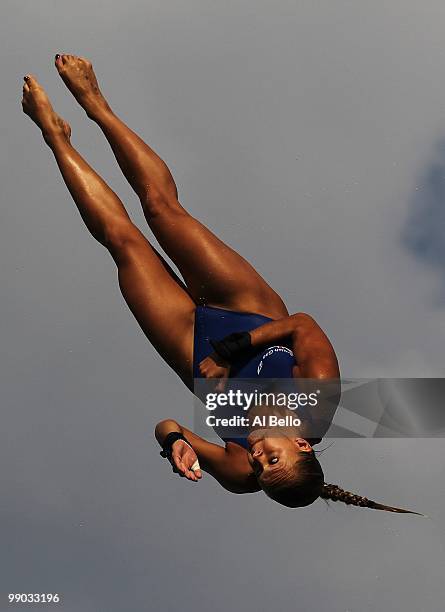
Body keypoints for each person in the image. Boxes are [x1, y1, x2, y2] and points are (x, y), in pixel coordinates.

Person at [21, 55, 421, 515]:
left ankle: (54, 135)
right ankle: (96, 103)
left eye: (260, 467)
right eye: (273, 458)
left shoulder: (240, 473)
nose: (257, 457)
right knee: (160, 208)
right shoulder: (318, 404)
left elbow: (168, 424)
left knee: (123, 242)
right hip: (247, 308)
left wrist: (177, 443)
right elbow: (303, 326)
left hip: (191, 347)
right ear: (303, 447)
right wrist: (234, 349)